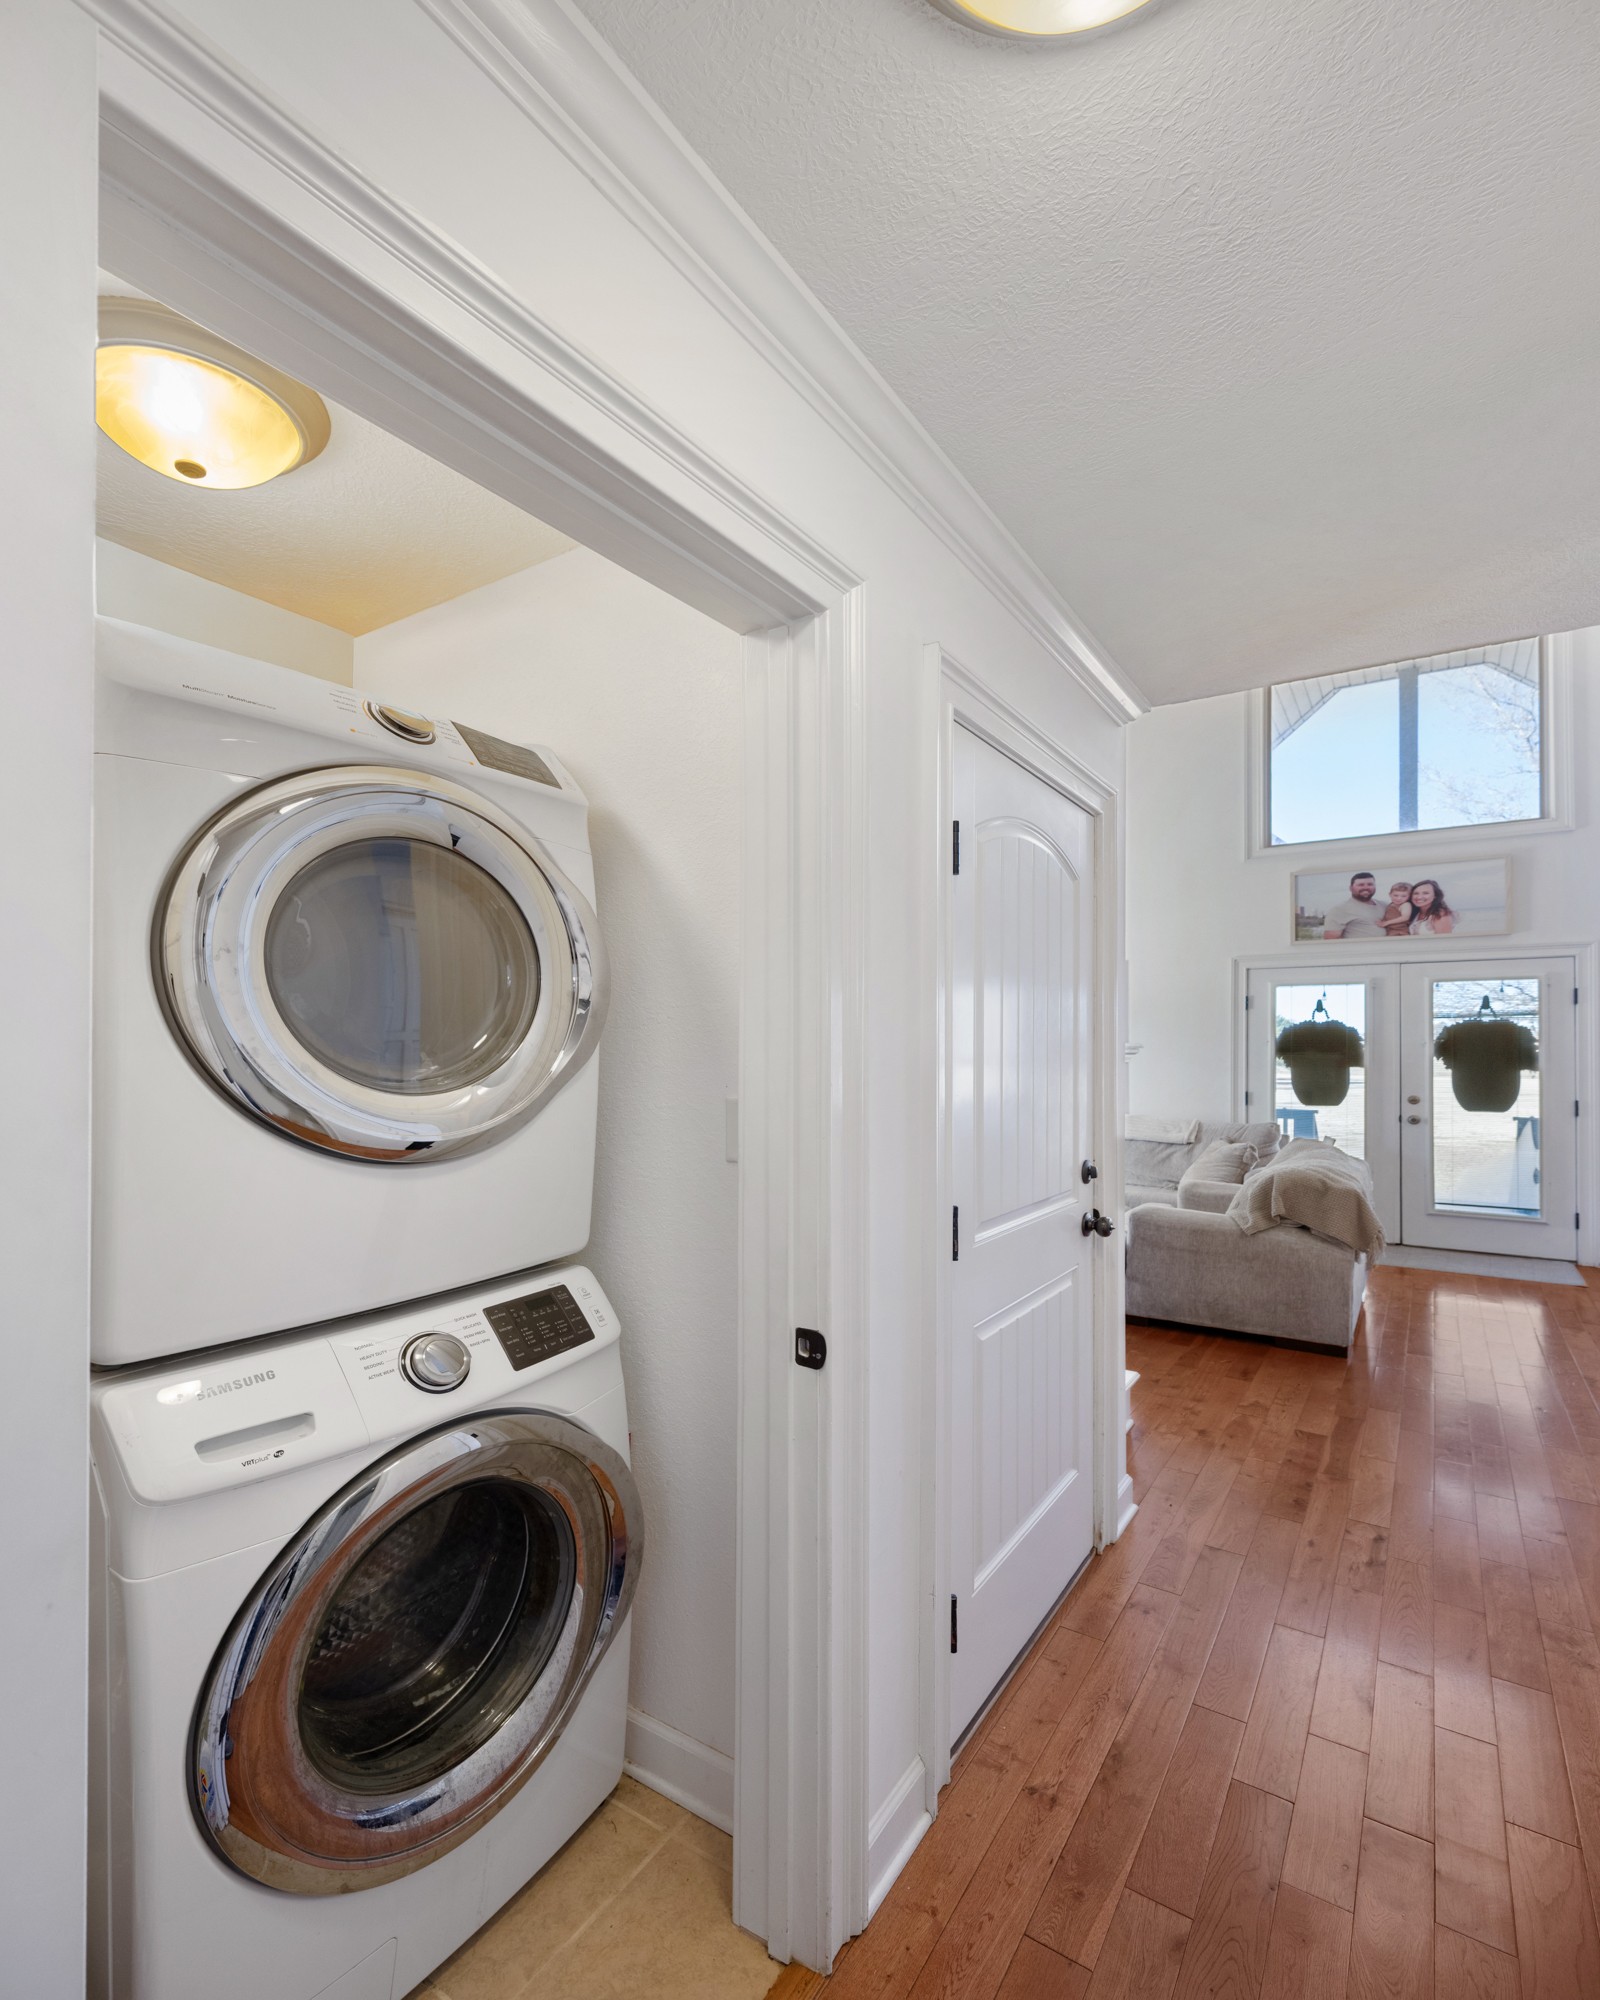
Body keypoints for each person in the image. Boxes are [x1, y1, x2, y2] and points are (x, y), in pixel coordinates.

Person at [1322, 872, 1384, 940]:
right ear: (1351, 888)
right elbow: (1330, 939)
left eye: (1370, 884)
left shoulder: (1385, 905)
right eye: (1361, 885)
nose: (1366, 887)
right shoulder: (1339, 910)